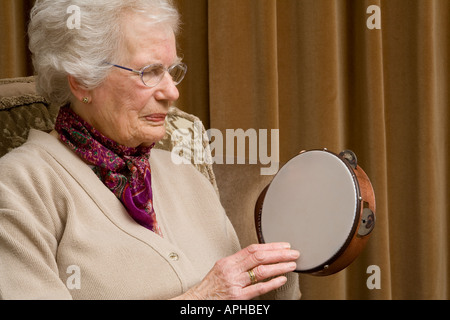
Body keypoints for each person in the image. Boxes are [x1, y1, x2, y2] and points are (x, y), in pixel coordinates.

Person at [0, 0, 300, 300]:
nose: (172, 92)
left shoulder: (184, 174)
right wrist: (202, 299)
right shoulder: (19, 186)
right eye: (149, 72)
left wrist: (285, 261)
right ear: (81, 80)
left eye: (171, 71)